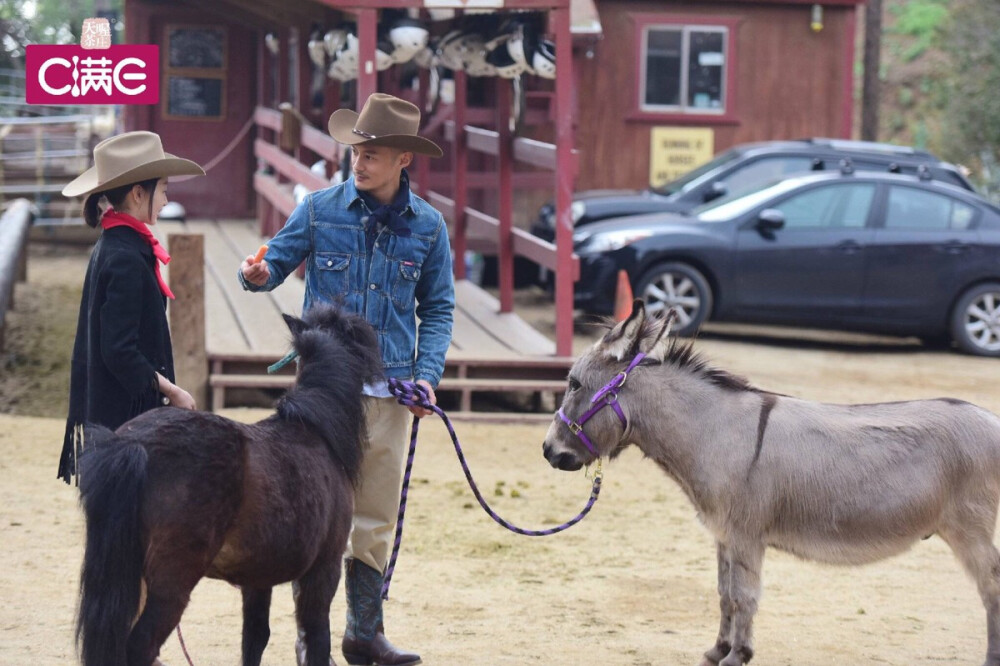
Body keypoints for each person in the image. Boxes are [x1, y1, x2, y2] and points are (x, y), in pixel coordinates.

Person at [239, 92, 454, 666]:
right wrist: (256, 274)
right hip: (320, 394)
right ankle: (312, 639)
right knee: (314, 511)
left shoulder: (430, 228)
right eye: (356, 150)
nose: (359, 162)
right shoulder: (317, 208)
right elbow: (273, 264)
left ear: (405, 159)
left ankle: (363, 632)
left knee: (374, 517)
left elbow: (438, 310)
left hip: (391, 393)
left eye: (374, 153)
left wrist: (428, 376)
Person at [58, 131, 205, 484]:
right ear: (139, 193)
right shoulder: (124, 257)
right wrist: (171, 390)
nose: (168, 199)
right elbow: (119, 350)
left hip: (116, 413)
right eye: (165, 189)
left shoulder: (118, 244)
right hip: (124, 421)